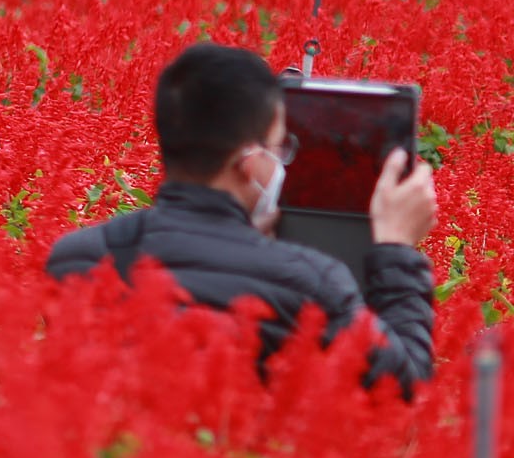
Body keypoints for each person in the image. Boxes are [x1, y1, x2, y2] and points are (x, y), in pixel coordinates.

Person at [47, 42, 437, 393]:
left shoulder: (77, 259)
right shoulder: (311, 284)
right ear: (249, 163)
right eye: (280, 147)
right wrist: (397, 247)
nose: (283, 161)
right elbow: (405, 383)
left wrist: (244, 242)